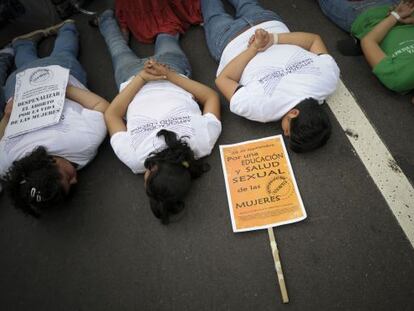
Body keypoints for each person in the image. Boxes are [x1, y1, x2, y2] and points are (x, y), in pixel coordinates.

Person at [98, 10, 222, 224]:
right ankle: (109, 18)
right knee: (142, 39)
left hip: (142, 76)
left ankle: (112, 19)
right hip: (160, 71)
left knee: (128, 41)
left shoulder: (202, 145)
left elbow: (112, 115)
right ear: (153, 169)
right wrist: (166, 74)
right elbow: (210, 96)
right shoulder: (137, 160)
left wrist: (144, 78)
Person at [0, 20, 110, 216]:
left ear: (51, 162)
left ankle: (67, 26)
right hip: (16, 86)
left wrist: (64, 89)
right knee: (27, 63)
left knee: (64, 53)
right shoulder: (6, 164)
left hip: (60, 73)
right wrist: (6, 117)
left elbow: (101, 107)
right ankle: (23, 43)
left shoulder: (83, 143)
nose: (75, 180)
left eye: (67, 178)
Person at [201, 0, 340, 153]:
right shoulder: (261, 109)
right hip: (228, 40)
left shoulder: (329, 80)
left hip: (267, 23)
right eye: (288, 133)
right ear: (294, 113)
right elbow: (223, 79)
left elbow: (314, 40)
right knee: (212, 10)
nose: (285, 134)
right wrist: (253, 49)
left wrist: (272, 39)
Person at [317, 0, 414, 93]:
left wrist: (396, 16)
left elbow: (368, 41)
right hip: (400, 6)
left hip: (365, 16)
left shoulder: (400, 79)